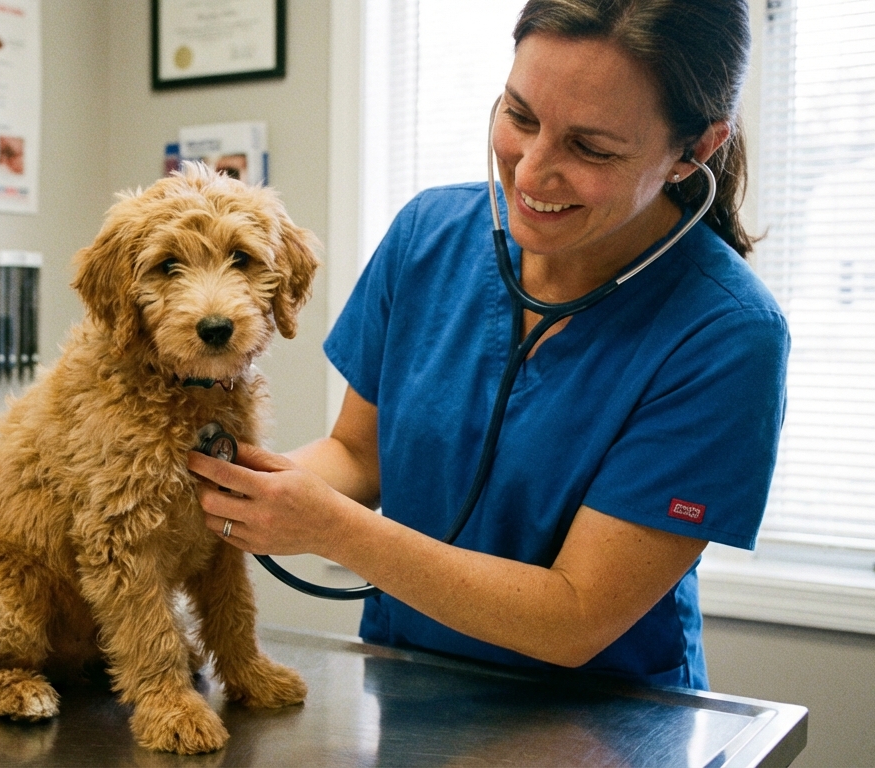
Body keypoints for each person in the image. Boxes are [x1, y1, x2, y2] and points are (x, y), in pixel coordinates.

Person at [188, 0, 788, 690]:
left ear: (695, 151)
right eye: (520, 116)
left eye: (590, 148)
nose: (531, 173)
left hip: (604, 726)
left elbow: (576, 617)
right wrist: (208, 490)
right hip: (409, 685)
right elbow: (357, 454)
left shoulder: (725, 335)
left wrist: (333, 531)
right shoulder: (428, 236)